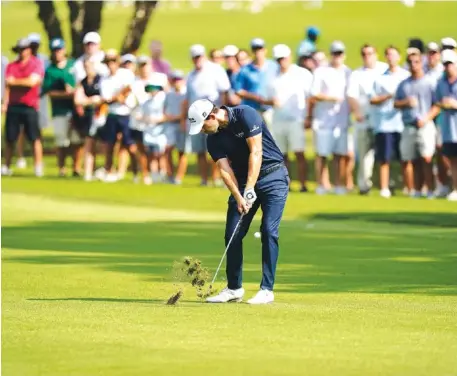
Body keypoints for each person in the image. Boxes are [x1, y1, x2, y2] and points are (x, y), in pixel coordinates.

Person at [187, 99, 288, 304]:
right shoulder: (212, 139)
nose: (202, 131)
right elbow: (225, 170)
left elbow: (256, 152)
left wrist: (250, 188)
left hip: (273, 177)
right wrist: (239, 196)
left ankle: (266, 289)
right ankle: (234, 288)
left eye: (203, 125)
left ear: (212, 116)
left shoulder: (245, 114)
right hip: (242, 182)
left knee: (269, 230)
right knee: (232, 233)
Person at [264, 44, 313, 192]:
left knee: (299, 152)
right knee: (281, 155)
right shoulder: (272, 76)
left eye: (283, 58)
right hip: (278, 119)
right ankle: (286, 183)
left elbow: (310, 97)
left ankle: (303, 184)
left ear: (289, 56)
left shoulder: (302, 73)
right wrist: (271, 101)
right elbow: (268, 98)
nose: (281, 62)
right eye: (279, 59)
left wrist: (308, 116)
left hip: (296, 119)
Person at [180, 44, 231, 186]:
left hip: (213, 117)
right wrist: (184, 118)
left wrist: (223, 114)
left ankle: (217, 178)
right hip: (196, 118)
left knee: (216, 150)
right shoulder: (190, 75)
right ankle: (204, 179)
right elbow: (187, 98)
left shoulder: (216, 70)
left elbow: (224, 92)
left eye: (199, 57)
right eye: (195, 57)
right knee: (200, 151)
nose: (197, 60)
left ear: (204, 56)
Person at [394, 51, 440, 198]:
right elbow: (396, 103)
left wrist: (426, 118)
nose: (414, 65)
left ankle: (430, 190)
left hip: (425, 125)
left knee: (426, 158)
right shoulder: (404, 84)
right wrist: (405, 102)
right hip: (408, 125)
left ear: (422, 63)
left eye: (417, 62)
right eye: (411, 62)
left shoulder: (429, 82)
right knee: (408, 159)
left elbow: (437, 104)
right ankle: (412, 190)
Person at [309, 41, 351, 195]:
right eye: (335, 53)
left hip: (341, 121)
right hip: (323, 121)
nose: (337, 56)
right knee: (322, 154)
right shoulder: (321, 71)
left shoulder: (348, 72)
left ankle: (339, 184)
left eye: (339, 53)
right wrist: (331, 98)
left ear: (344, 55)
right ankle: (321, 184)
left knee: (340, 155)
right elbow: (314, 94)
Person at [347, 44, 389, 195]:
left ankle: (385, 185)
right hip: (364, 120)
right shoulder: (357, 74)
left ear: (376, 54)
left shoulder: (384, 70)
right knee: (364, 155)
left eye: (370, 53)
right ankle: (364, 185)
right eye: (364, 54)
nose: (367, 56)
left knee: (385, 153)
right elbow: (351, 95)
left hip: (383, 120)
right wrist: (357, 112)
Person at [370, 46, 410, 198]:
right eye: (388, 55)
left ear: (399, 57)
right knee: (384, 158)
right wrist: (387, 96)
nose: (391, 58)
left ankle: (408, 187)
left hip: (401, 123)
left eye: (394, 55)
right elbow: (373, 99)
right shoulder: (380, 78)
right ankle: (384, 187)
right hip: (384, 123)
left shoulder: (405, 76)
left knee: (405, 158)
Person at [1, 38, 44, 177]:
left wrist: (16, 82)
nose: (22, 51)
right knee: (10, 137)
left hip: (29, 105)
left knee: (34, 137)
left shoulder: (36, 64)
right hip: (14, 105)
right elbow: (8, 84)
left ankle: (38, 166)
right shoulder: (12, 66)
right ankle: (6, 166)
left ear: (29, 49)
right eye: (20, 49)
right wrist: (5, 103)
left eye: (24, 48)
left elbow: (32, 82)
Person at [41, 38, 82, 177]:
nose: (57, 53)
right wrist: (66, 94)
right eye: (54, 51)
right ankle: (62, 168)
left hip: (75, 109)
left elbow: (80, 84)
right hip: (59, 110)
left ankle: (77, 168)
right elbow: (48, 92)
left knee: (76, 140)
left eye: (59, 50)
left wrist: (74, 92)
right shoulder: (50, 70)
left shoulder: (73, 65)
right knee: (61, 141)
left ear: (64, 50)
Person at [99, 49, 137, 182]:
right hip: (112, 114)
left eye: (113, 61)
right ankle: (109, 171)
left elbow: (129, 88)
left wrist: (119, 96)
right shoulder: (104, 78)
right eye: (108, 62)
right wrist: (118, 97)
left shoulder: (125, 73)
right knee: (109, 144)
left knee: (129, 145)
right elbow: (106, 99)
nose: (111, 64)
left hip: (126, 114)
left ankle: (136, 172)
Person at [234, 38, 278, 126]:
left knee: (272, 137)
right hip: (252, 110)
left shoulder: (274, 66)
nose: (258, 52)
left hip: (270, 109)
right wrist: (255, 97)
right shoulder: (245, 69)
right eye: (255, 49)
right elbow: (238, 91)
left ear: (265, 50)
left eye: (260, 49)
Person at [73, 57, 104, 182]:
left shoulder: (101, 79)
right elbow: (78, 100)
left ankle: (102, 169)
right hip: (88, 116)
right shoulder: (83, 82)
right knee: (88, 142)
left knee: (103, 145)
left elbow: (102, 98)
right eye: (85, 66)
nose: (87, 68)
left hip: (101, 115)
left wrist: (88, 100)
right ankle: (88, 172)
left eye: (89, 65)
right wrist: (91, 100)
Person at [425, 42, 449, 197]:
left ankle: (448, 184)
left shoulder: (443, 72)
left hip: (440, 118)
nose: (432, 56)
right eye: (430, 53)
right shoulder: (424, 71)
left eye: (434, 53)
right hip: (427, 118)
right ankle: (439, 185)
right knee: (429, 154)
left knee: (443, 152)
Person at [433, 49, 457, 201]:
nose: (448, 67)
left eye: (451, 64)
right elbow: (436, 101)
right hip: (449, 128)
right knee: (453, 160)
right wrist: (443, 104)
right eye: (446, 64)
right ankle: (455, 188)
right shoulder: (440, 82)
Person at [164, 70, 186, 183]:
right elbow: (165, 109)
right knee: (168, 149)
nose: (177, 82)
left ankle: (179, 177)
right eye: (175, 80)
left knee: (181, 151)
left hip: (182, 124)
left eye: (179, 79)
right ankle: (170, 175)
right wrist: (168, 116)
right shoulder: (169, 94)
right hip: (170, 125)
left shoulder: (186, 94)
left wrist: (179, 118)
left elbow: (187, 110)